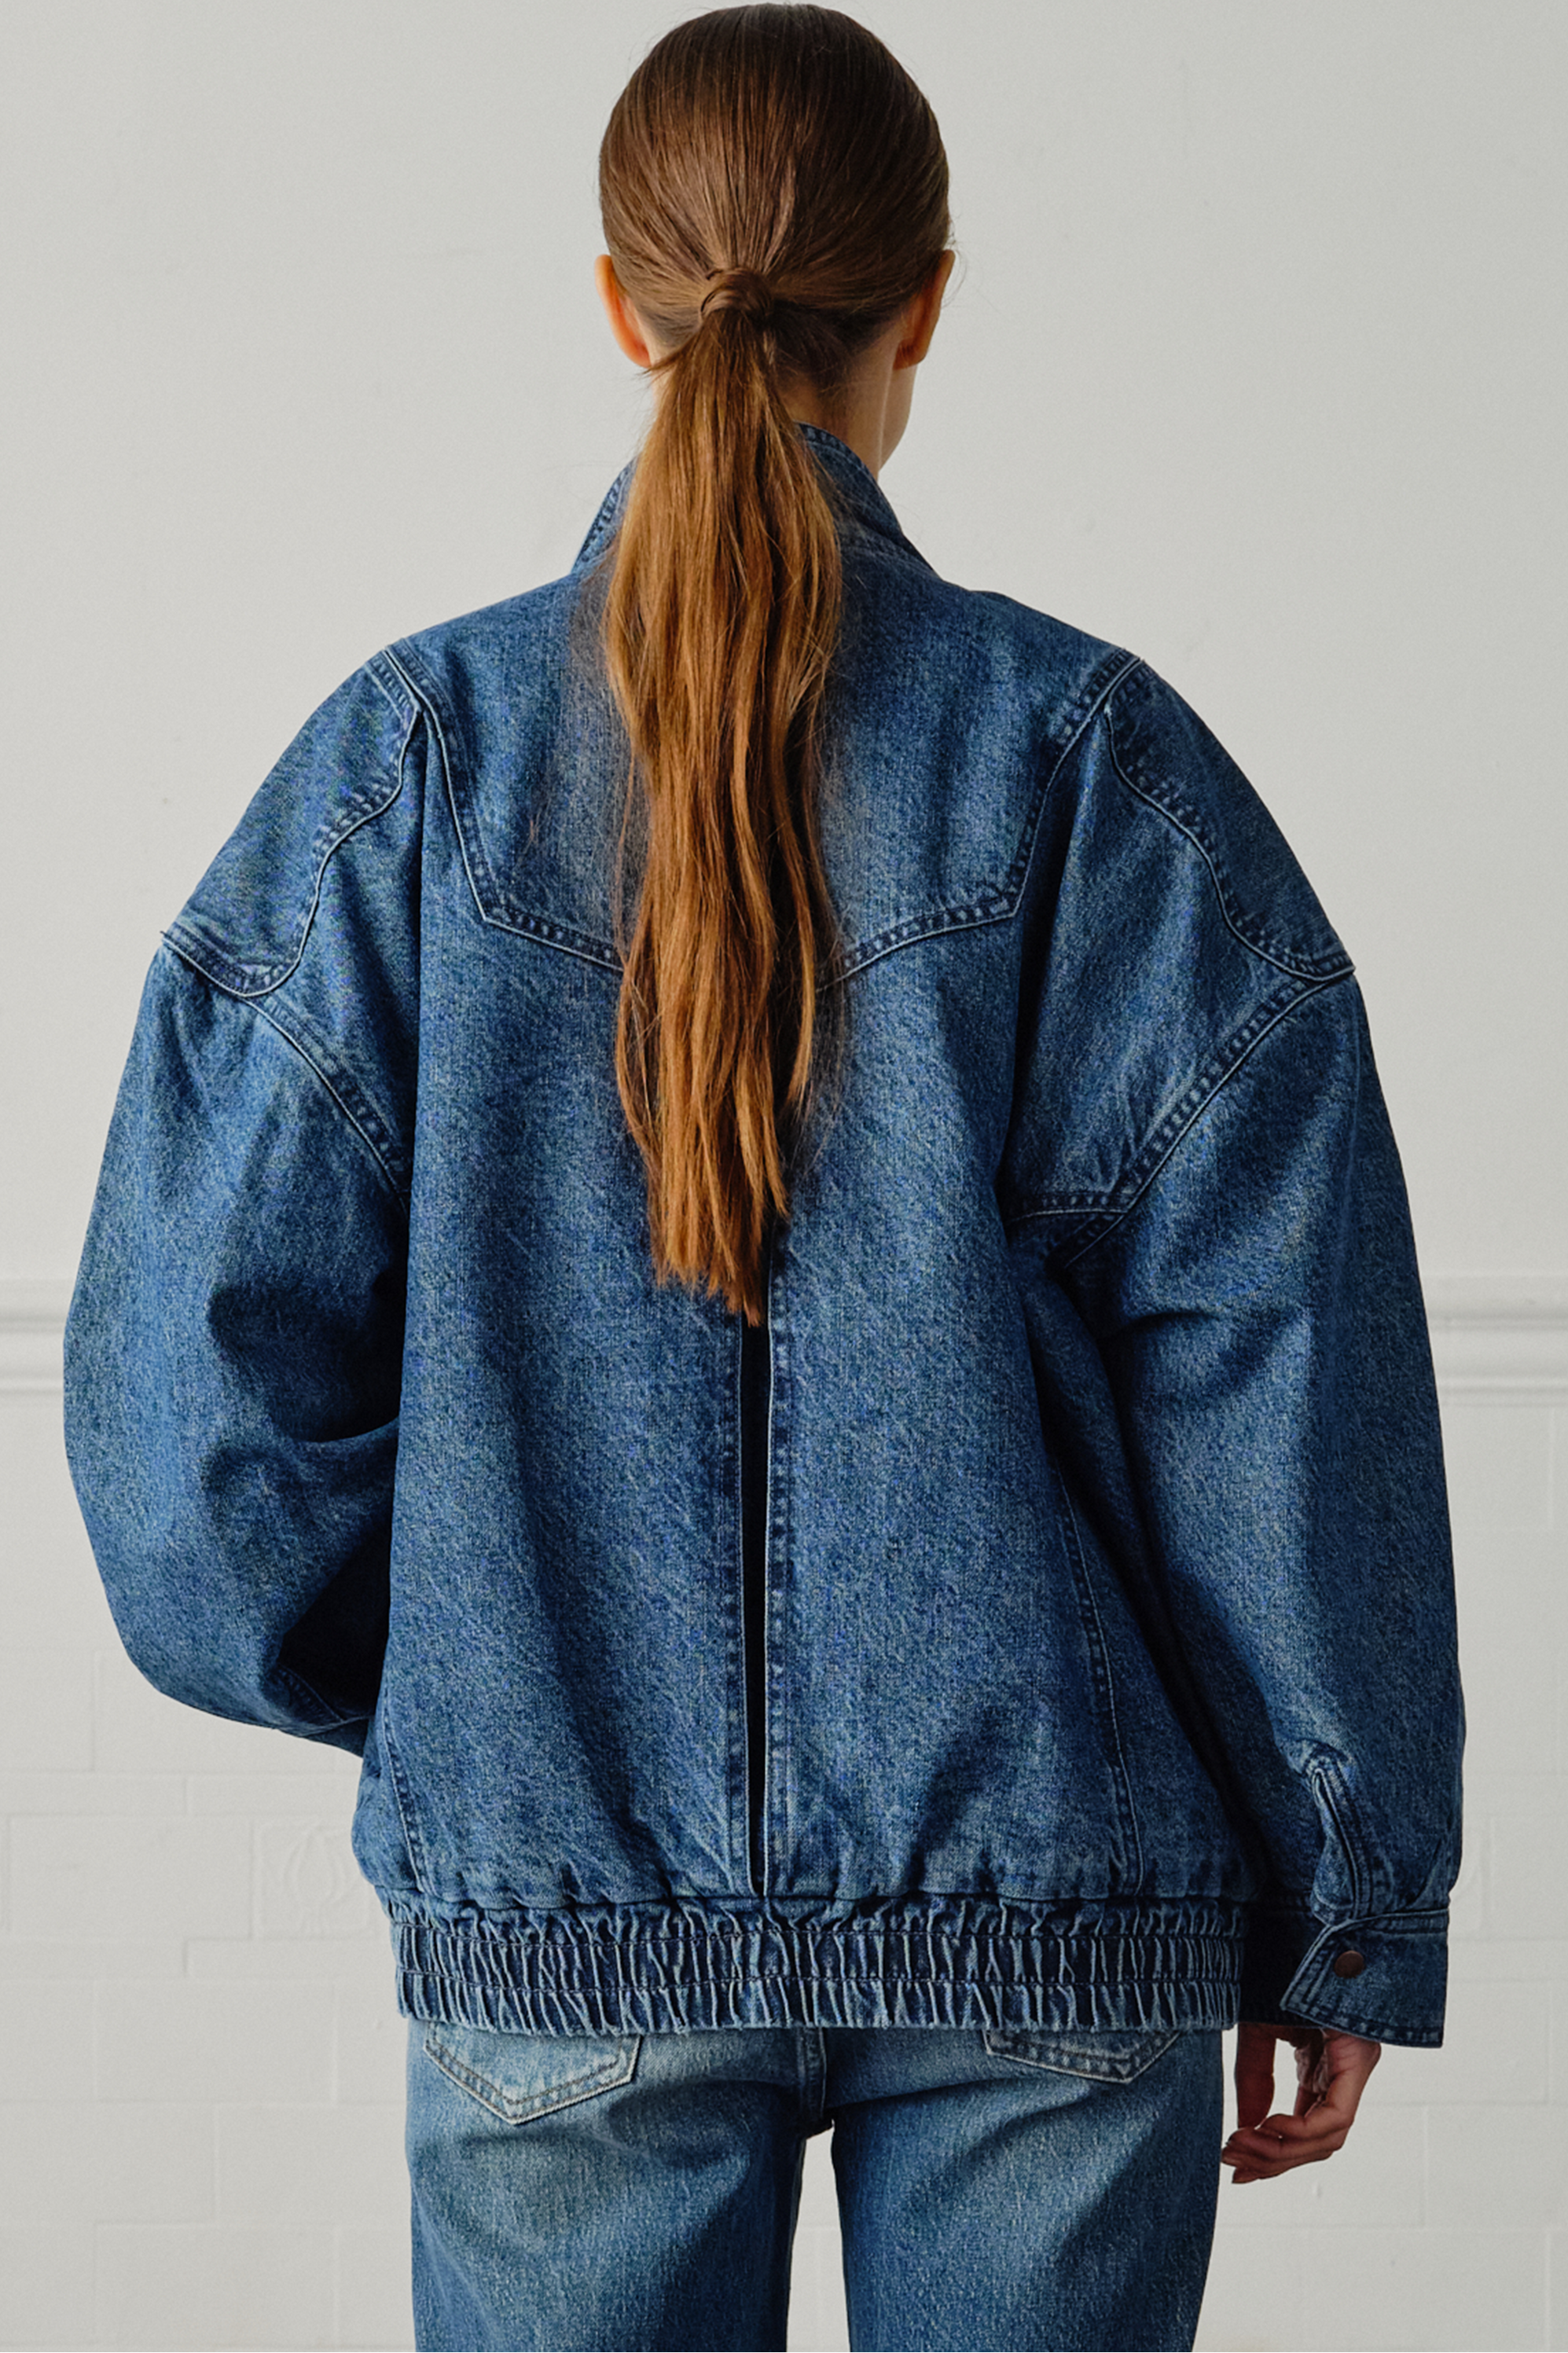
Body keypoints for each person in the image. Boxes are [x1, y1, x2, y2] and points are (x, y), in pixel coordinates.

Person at [62, 8, 1463, 2350]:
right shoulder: (1101, 769)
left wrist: (477, 1682)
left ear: (623, 308)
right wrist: (1344, 1896)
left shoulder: (405, 770)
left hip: (562, 1914)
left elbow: (187, 1427)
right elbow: (1283, 1383)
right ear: (924, 305)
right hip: (1064, 1922)